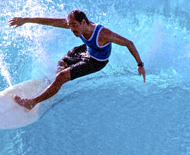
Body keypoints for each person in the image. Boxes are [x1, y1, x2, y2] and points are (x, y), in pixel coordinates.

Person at [8, 9, 146, 111]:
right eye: (69, 25)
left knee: (62, 76)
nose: (71, 28)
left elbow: (129, 43)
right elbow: (50, 21)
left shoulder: (103, 34)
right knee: (61, 64)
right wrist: (26, 20)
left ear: (84, 22)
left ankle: (32, 103)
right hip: (87, 50)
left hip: (97, 61)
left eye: (74, 25)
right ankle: (54, 86)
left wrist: (140, 64)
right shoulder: (76, 25)